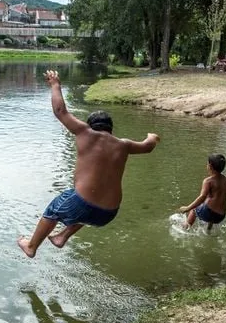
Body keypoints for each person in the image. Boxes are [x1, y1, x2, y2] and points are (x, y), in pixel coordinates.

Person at [17, 70, 161, 258]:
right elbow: (148, 146)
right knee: (85, 201)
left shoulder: (86, 133)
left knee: (56, 208)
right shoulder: (124, 145)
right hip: (108, 213)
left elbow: (60, 111)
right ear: (111, 129)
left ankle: (31, 246)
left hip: (84, 203)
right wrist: (152, 136)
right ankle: (62, 236)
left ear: (90, 125)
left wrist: (55, 84)